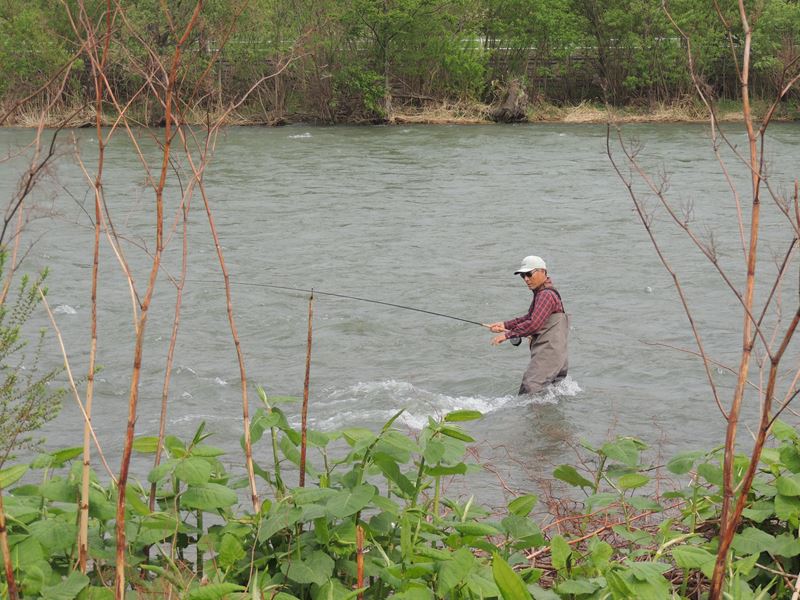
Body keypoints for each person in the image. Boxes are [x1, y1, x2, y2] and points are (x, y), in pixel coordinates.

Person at [485, 255, 569, 395]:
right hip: (557, 357)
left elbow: (534, 324)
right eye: (523, 276)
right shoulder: (543, 293)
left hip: (548, 356)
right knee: (551, 393)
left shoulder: (545, 295)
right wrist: (505, 324)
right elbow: (529, 318)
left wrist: (506, 335)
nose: (526, 279)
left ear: (543, 271)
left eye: (529, 274)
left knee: (530, 388)